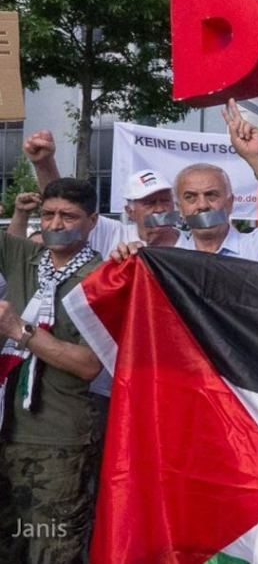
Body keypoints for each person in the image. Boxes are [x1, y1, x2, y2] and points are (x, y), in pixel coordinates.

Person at [0, 178, 104, 563]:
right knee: (9, 546)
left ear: (93, 221)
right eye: (48, 214)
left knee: (51, 548)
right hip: (5, 430)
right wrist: (18, 211)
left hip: (58, 441)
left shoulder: (103, 278)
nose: (55, 224)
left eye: (68, 216)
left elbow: (89, 364)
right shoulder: (24, 257)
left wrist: (19, 331)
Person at [170, 99, 258, 262]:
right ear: (179, 208)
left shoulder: (256, 248)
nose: (202, 205)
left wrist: (257, 159)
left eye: (212, 195)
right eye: (190, 197)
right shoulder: (166, 260)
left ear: (230, 203)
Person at [23, 130, 182, 256]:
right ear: (129, 211)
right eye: (150, 202)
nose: (160, 209)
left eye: (165, 200)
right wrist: (43, 163)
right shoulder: (113, 234)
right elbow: (62, 202)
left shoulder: (194, 244)